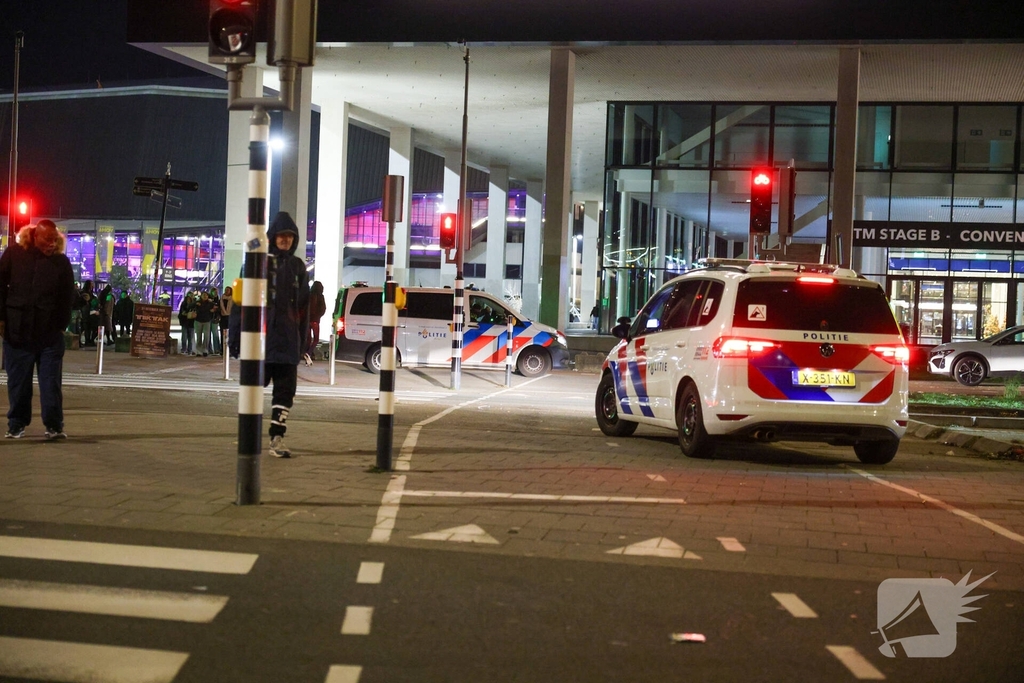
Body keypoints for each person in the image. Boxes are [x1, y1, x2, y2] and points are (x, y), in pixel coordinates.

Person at [0, 220, 77, 440]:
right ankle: (16, 424)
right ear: (35, 236)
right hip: (17, 332)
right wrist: (2, 319)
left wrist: (61, 326)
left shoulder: (61, 262)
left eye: (55, 240)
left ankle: (54, 426)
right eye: (47, 239)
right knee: (18, 383)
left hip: (50, 335)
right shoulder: (14, 254)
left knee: (51, 383)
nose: (51, 244)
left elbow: (67, 297)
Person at [263, 212, 309, 458]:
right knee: (252, 387)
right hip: (262, 341)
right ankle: (247, 435)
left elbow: (304, 307)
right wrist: (238, 337)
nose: (285, 240)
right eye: (281, 235)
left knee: (285, 392)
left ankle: (276, 438)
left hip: (288, 341)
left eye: (290, 236)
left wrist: (302, 343)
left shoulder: (298, 267)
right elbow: (243, 301)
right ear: (273, 237)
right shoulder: (260, 263)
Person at [303, 281, 327, 366]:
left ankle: (307, 357)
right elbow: (323, 308)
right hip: (315, 321)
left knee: (308, 339)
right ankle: (308, 353)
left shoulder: (309, 296)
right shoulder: (320, 296)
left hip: (308, 320)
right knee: (316, 339)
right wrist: (318, 315)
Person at [194, 289, 217, 357]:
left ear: (208, 296)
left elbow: (217, 307)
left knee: (206, 336)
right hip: (198, 320)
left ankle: (205, 350)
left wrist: (214, 309)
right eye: (203, 295)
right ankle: (198, 351)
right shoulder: (197, 302)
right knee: (199, 336)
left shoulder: (210, 303)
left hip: (207, 321)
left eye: (206, 295)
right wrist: (196, 304)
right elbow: (190, 306)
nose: (205, 296)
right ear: (201, 296)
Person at [219, 286, 233, 358]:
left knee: (230, 335)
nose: (226, 291)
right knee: (223, 334)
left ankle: (230, 350)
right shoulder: (221, 298)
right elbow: (219, 308)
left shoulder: (233, 299)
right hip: (223, 318)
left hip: (230, 318)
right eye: (226, 290)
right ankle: (223, 350)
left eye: (228, 290)